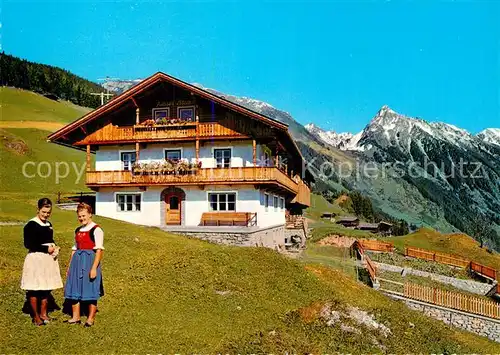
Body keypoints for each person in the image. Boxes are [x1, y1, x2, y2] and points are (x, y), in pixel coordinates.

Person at [21, 197, 63, 326]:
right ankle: (36, 316)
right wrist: (46, 248)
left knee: (46, 287)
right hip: (36, 258)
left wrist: (54, 246)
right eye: (43, 212)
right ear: (38, 209)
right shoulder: (31, 225)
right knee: (34, 287)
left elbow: (49, 239)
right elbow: (28, 244)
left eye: (48, 212)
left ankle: (44, 314)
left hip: (47, 259)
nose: (46, 215)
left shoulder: (48, 224)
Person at [64, 202, 104, 327]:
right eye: (79, 216)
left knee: (91, 288)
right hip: (77, 262)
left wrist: (94, 268)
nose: (82, 218)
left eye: (84, 216)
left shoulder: (96, 229)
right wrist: (70, 266)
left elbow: (99, 251)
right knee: (74, 287)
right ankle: (75, 317)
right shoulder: (78, 230)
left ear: (90, 214)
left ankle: (90, 318)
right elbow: (74, 249)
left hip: (89, 262)